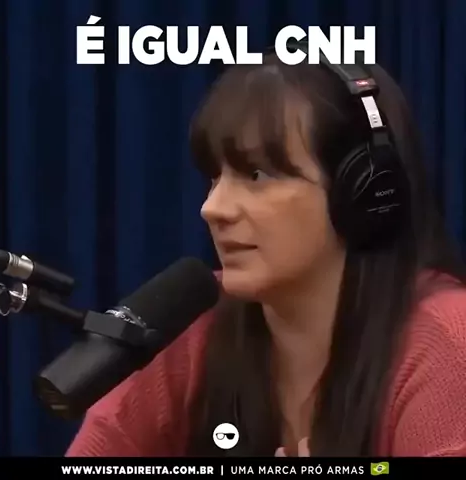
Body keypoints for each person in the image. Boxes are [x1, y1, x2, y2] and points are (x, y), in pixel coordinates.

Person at [66, 45, 466, 457]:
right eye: (214, 175)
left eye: (256, 175)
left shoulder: (451, 346)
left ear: (363, 192)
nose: (212, 208)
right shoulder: (191, 328)